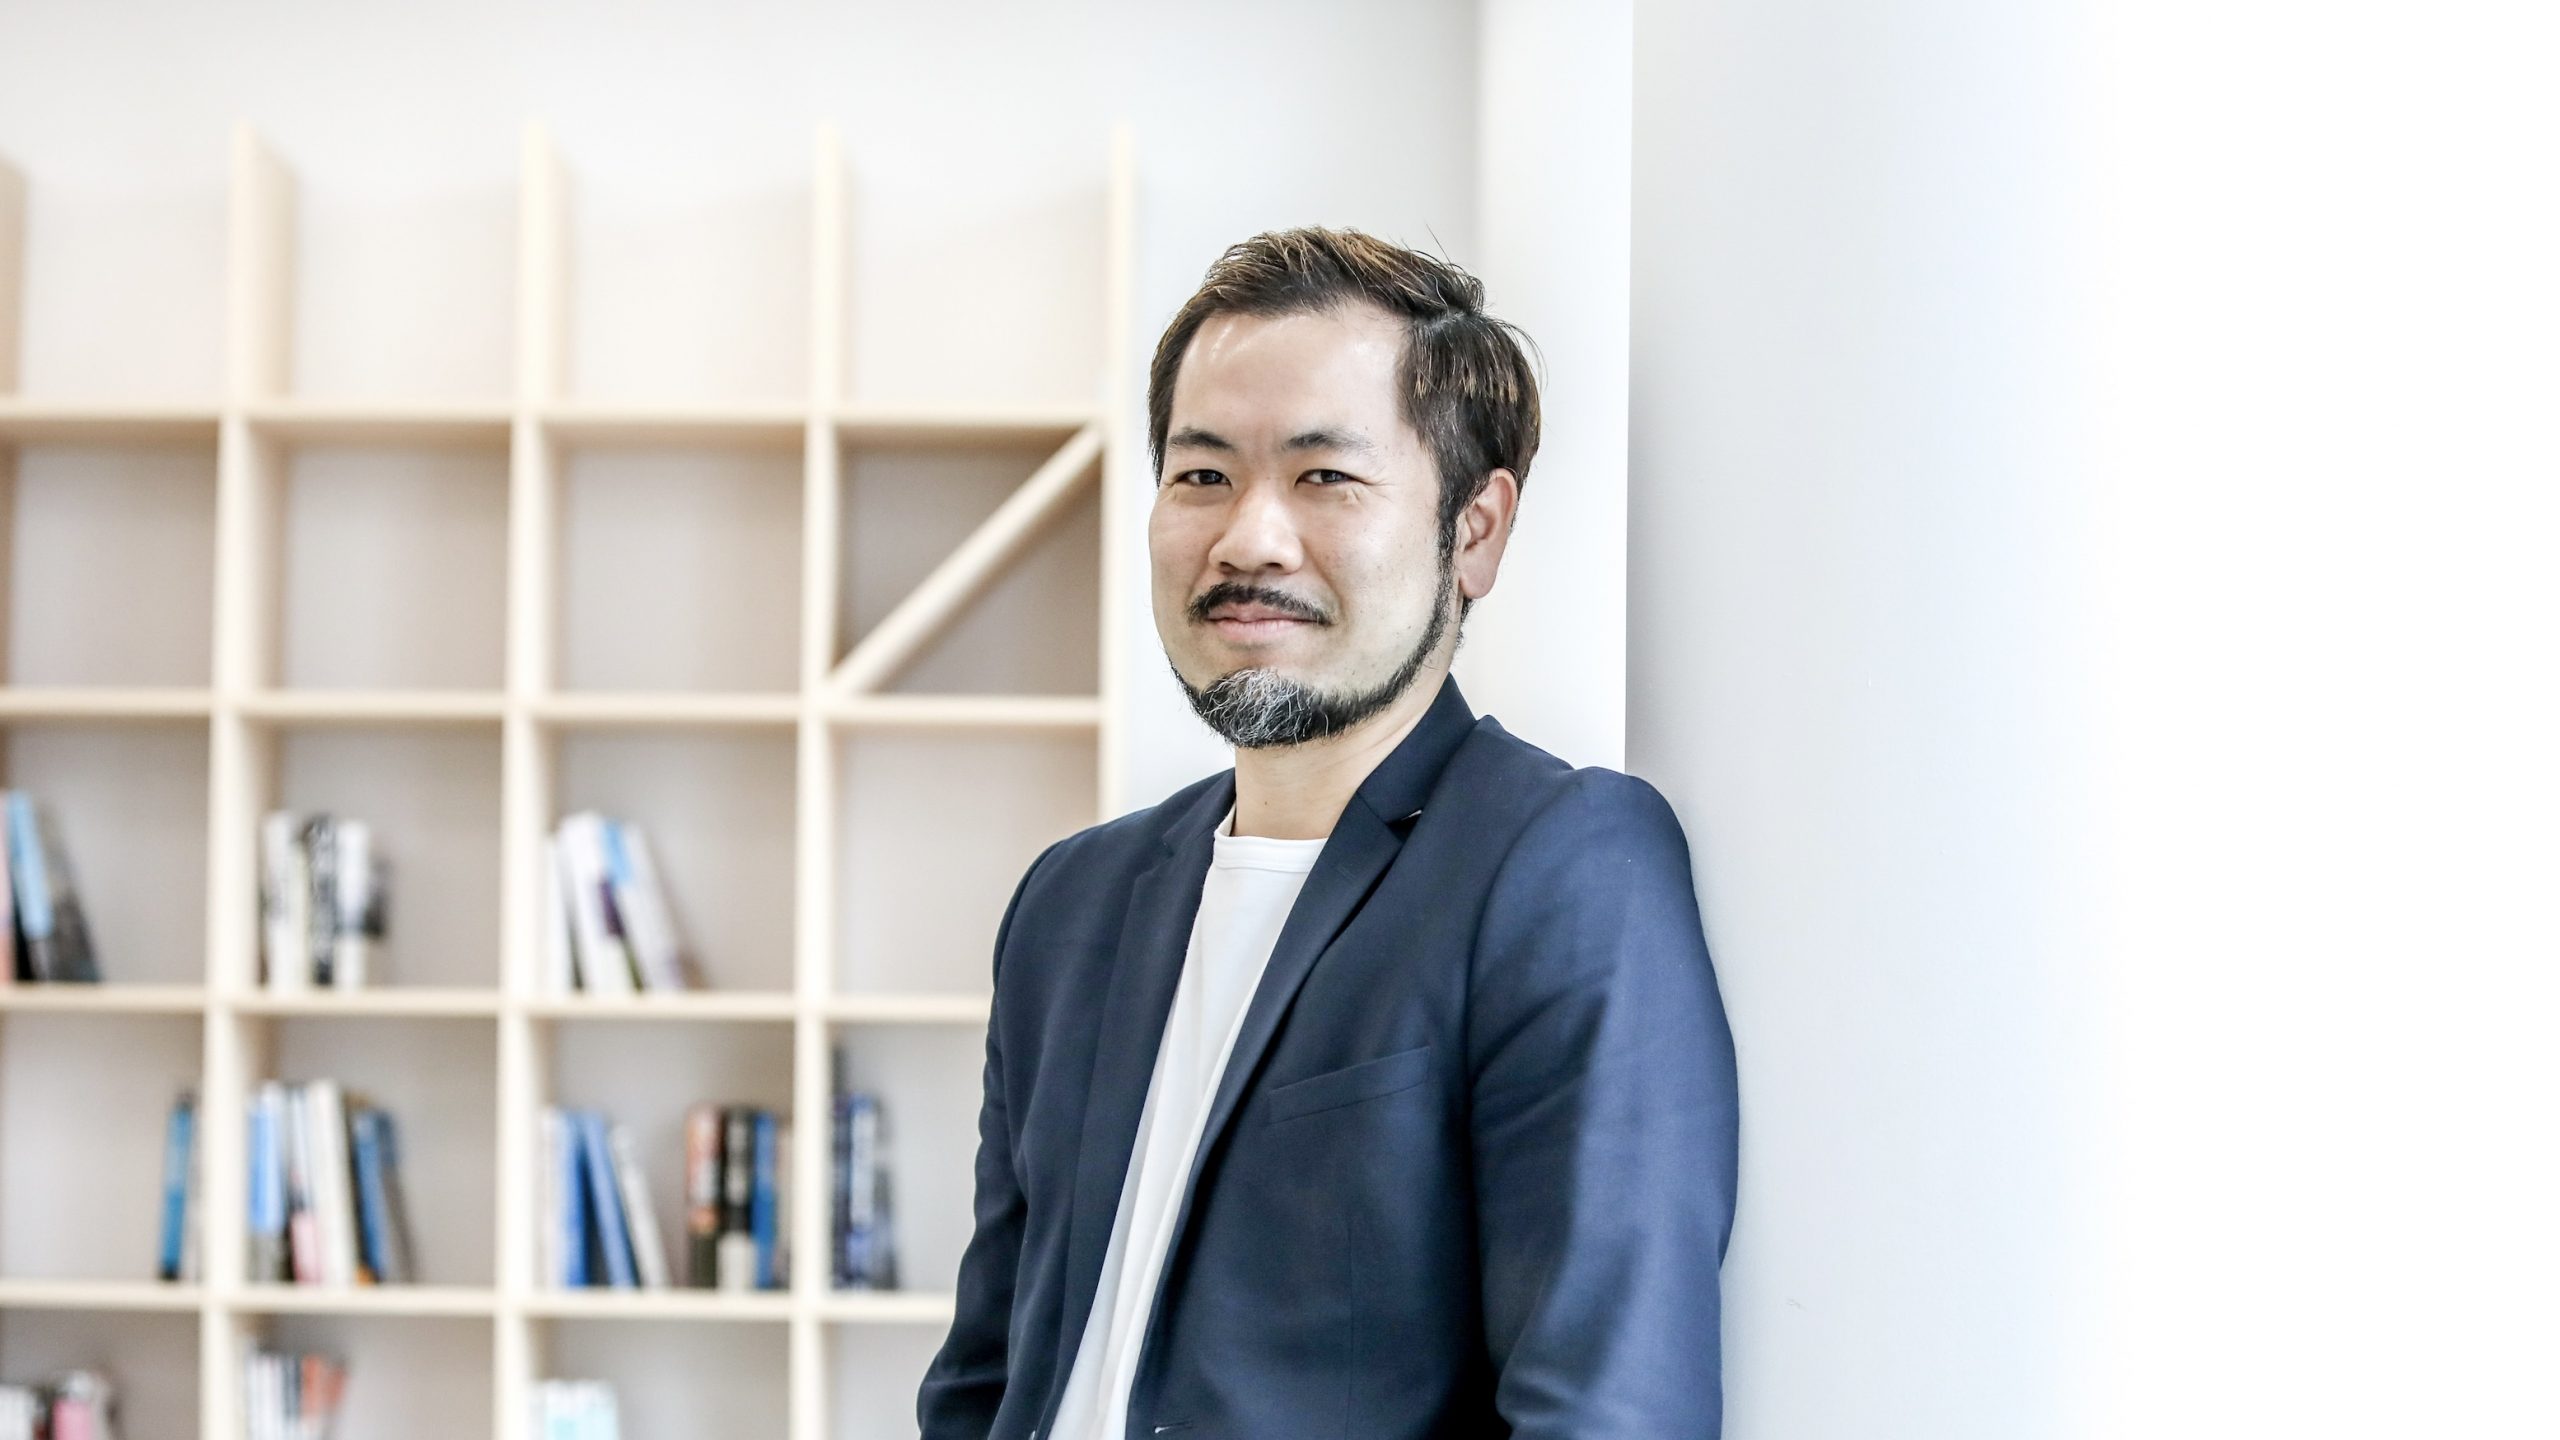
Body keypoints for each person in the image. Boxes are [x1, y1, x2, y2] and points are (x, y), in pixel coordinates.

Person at [917, 227, 1740, 1438]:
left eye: (1325, 477)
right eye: (1202, 475)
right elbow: (985, 1380)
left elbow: (1607, 1409)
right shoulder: (1070, 901)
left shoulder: (1559, 866)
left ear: (1474, 530)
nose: (1248, 538)